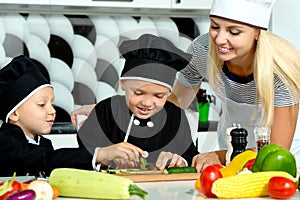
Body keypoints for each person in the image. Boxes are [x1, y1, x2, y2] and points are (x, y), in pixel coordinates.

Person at [72, 0, 300, 171]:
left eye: (234, 32)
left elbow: (275, 150)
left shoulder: (280, 70)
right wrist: (113, 109)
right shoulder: (203, 50)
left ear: (258, 33)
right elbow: (172, 103)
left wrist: (218, 156)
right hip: (231, 141)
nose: (220, 39)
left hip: (280, 152)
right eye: (215, 26)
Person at [77, 34, 199, 170]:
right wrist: (109, 158)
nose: (147, 103)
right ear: (123, 84)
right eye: (138, 93)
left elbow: (191, 155)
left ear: (168, 93)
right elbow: (84, 153)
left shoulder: (175, 115)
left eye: (159, 96)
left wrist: (179, 160)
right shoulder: (106, 110)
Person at [0, 55, 125, 177]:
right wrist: (99, 154)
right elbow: (44, 160)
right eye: (42, 104)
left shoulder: (44, 143)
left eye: (52, 104)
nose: (52, 111)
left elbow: (57, 166)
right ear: (14, 113)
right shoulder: (5, 143)